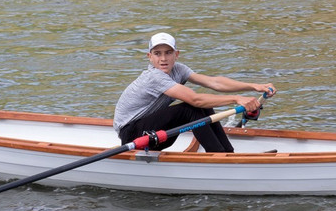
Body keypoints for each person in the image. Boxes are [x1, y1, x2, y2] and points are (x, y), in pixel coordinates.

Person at [113, 32, 276, 152]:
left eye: (168, 53)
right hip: (134, 136)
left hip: (154, 132)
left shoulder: (178, 69)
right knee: (191, 108)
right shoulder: (154, 77)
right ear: (149, 57)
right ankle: (219, 156)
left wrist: (254, 86)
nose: (163, 59)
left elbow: (214, 82)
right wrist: (237, 99)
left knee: (200, 109)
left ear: (176, 55)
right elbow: (196, 99)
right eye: (157, 54)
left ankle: (227, 153)